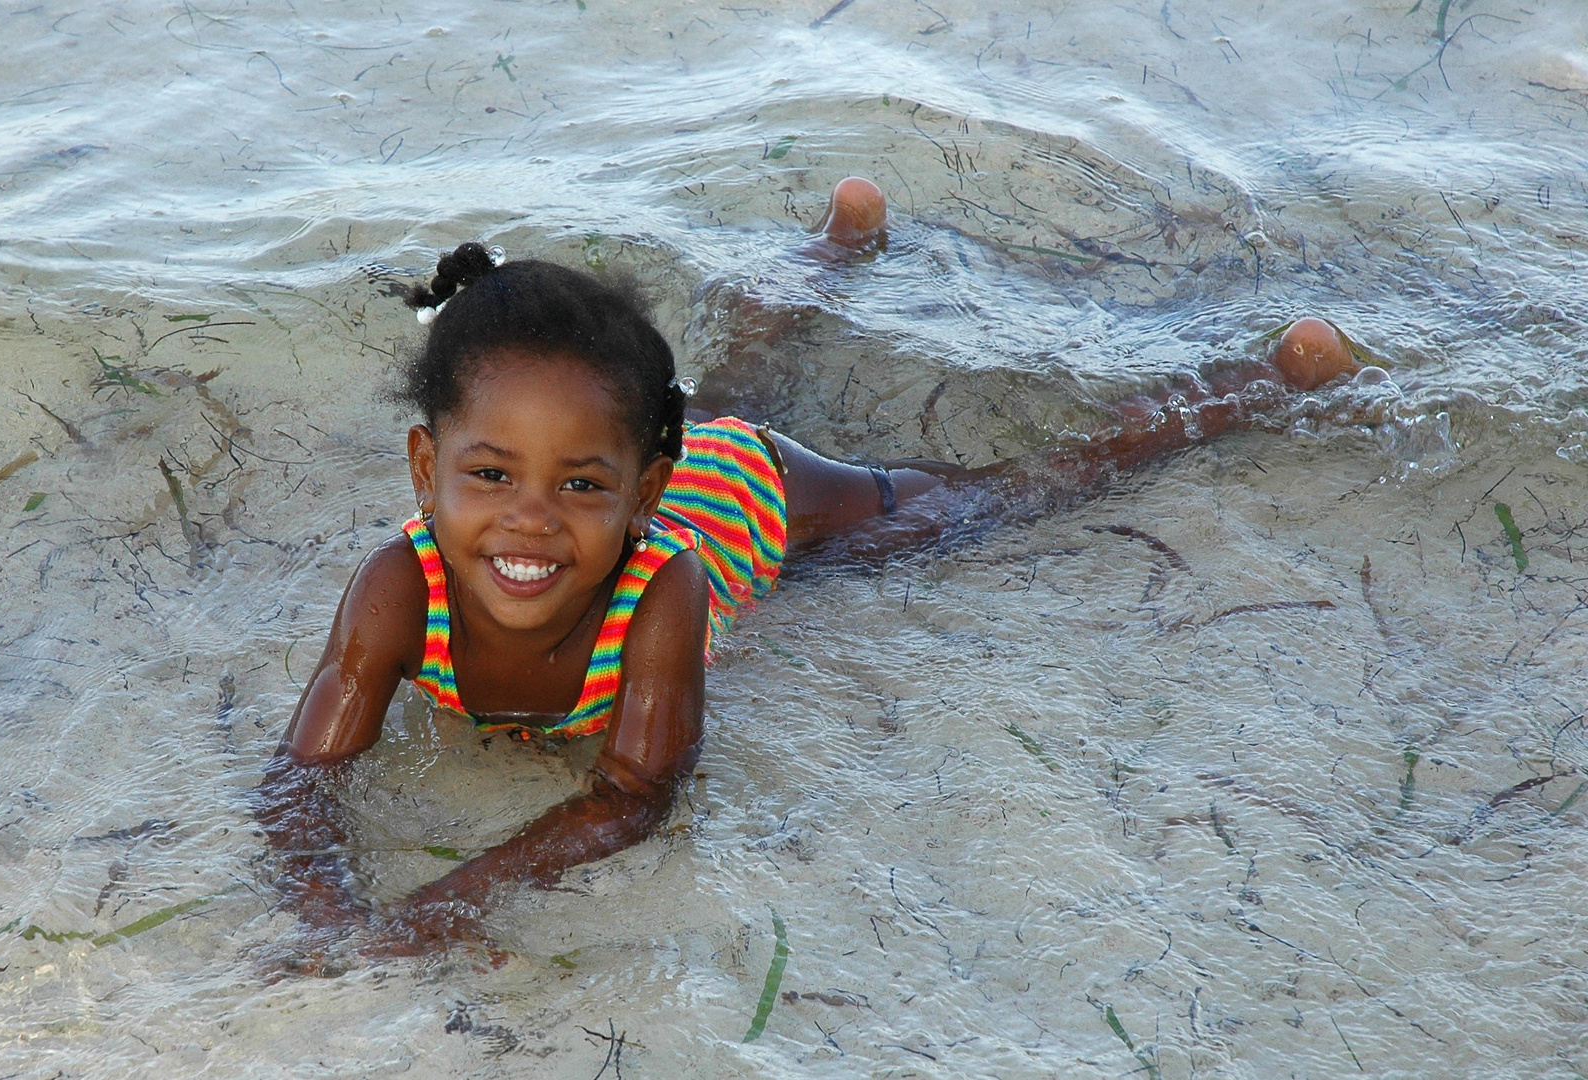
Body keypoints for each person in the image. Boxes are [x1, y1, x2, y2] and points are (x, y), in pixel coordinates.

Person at [255, 178, 1362, 966]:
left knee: (985, 500)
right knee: (731, 379)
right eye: (490, 475)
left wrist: (438, 906)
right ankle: (835, 245)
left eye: (581, 487)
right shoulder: (396, 589)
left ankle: (1241, 392)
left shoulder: (663, 597)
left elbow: (632, 797)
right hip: (676, 445)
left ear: (642, 494)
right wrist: (323, 906)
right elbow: (300, 777)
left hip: (757, 498)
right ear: (424, 470)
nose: (530, 524)